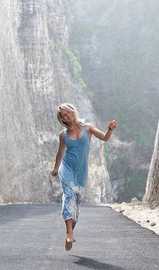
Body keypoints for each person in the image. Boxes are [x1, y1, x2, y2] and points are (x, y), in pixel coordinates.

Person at [51, 103, 117, 251]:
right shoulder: (63, 135)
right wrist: (56, 168)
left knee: (77, 203)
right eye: (64, 115)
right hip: (66, 168)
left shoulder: (88, 128)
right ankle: (69, 233)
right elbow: (60, 152)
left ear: (73, 111)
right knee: (68, 197)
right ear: (62, 119)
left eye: (68, 112)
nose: (68, 116)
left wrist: (110, 129)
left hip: (81, 172)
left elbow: (105, 138)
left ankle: (70, 230)